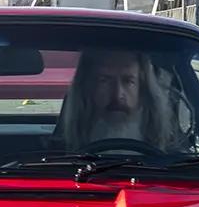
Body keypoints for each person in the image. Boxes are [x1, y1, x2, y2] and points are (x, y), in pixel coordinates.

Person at [52, 49, 187, 152]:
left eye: (128, 80)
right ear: (88, 86)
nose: (117, 94)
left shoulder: (171, 153)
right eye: (104, 80)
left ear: (142, 86)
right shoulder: (60, 155)